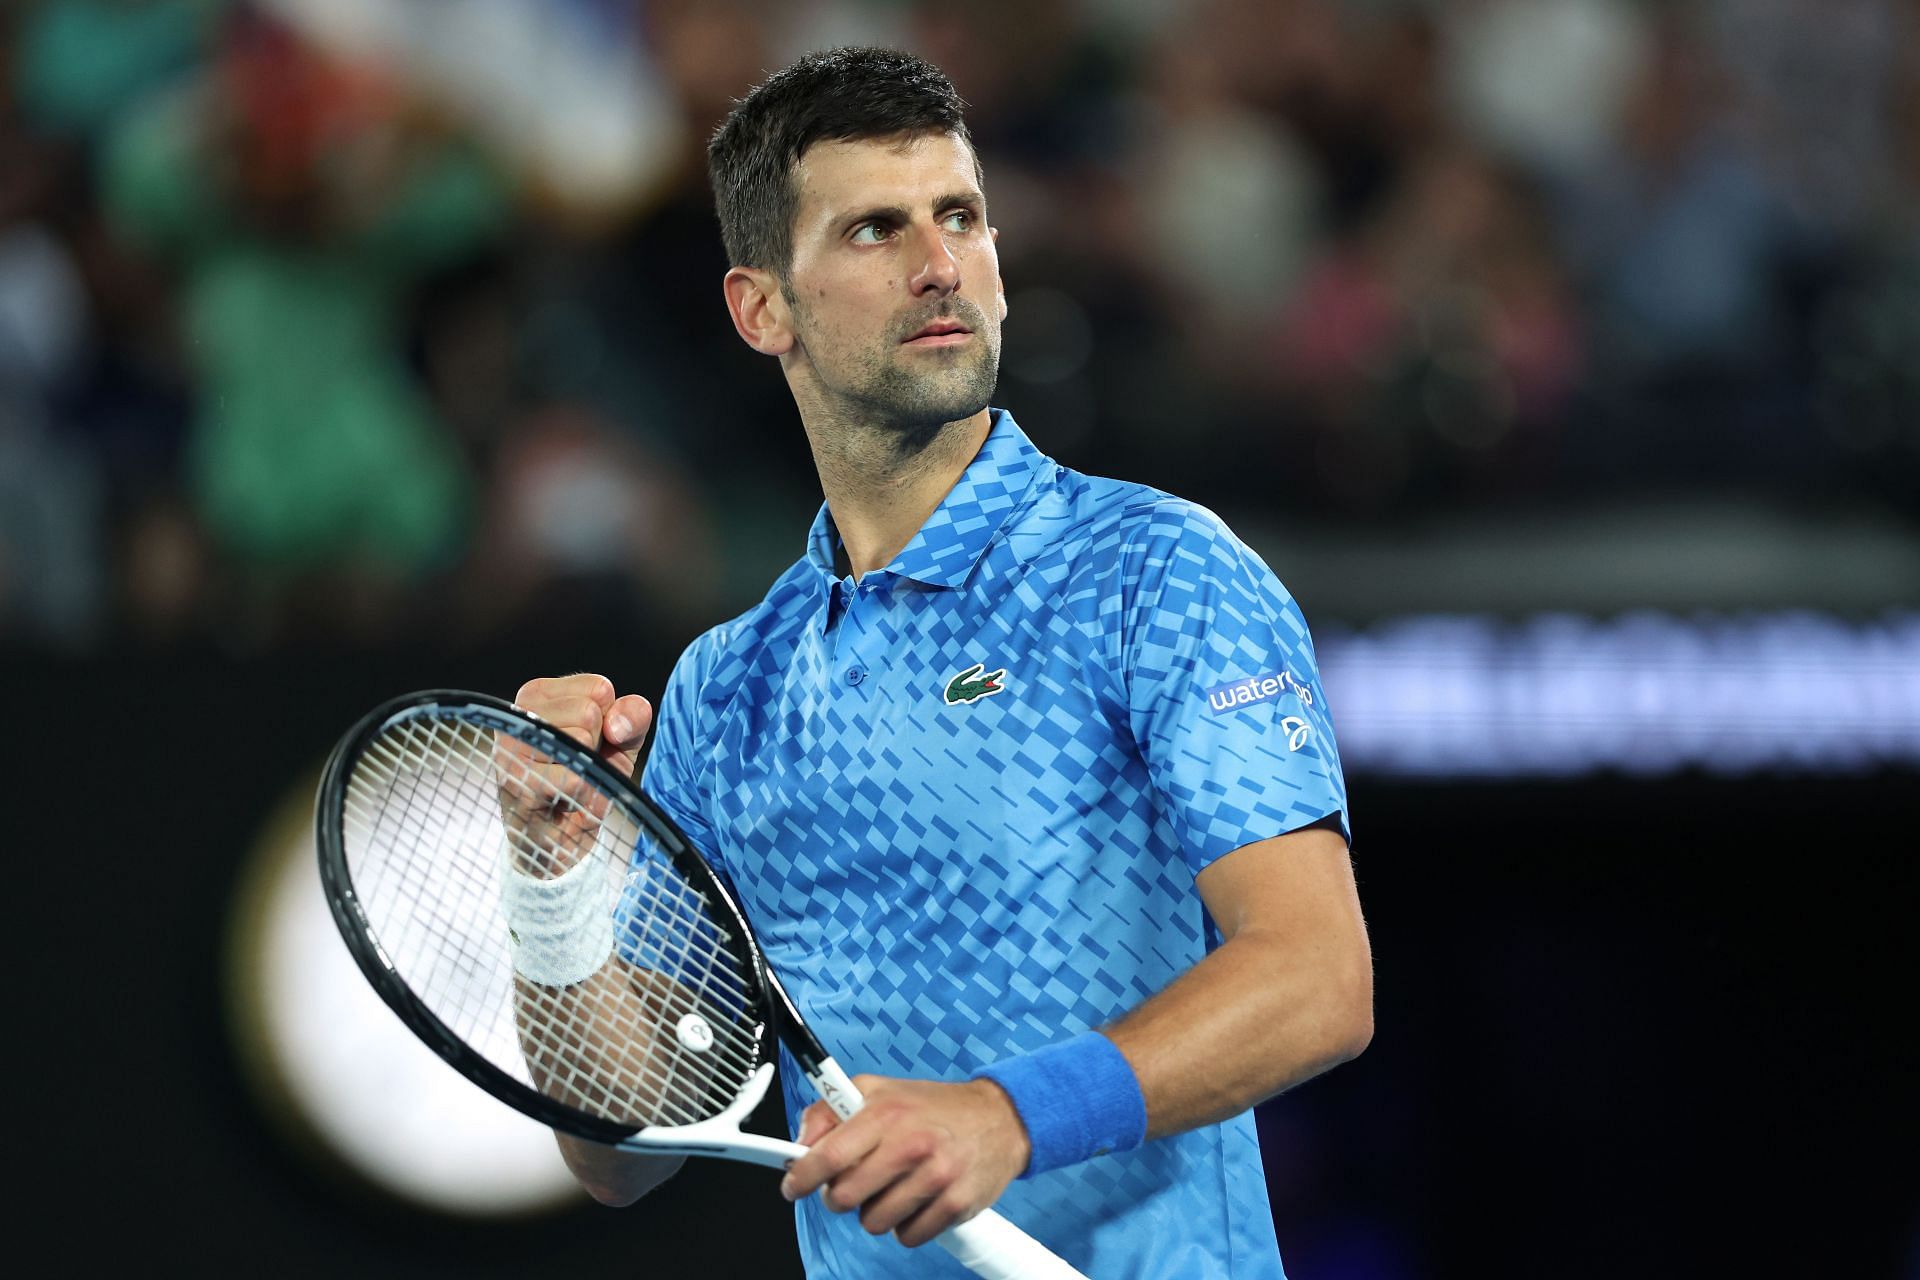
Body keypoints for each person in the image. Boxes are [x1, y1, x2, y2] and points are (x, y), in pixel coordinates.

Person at [514, 46, 1372, 1279]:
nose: (938, 265)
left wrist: (1007, 1115)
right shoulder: (723, 688)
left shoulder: (1156, 571)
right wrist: (550, 882)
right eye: (874, 230)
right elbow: (622, 1149)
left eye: (960, 216)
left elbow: (1317, 976)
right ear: (763, 310)